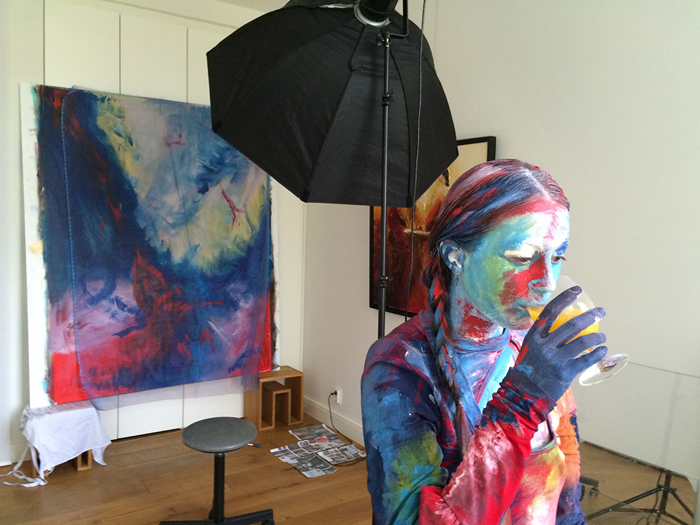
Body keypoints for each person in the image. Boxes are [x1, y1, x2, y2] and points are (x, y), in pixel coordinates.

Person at [361, 159, 608, 525]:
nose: (547, 281)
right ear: (455, 256)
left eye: (557, 256)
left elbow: (566, 461)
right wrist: (523, 398)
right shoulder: (400, 365)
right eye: (522, 256)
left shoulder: (533, 345)